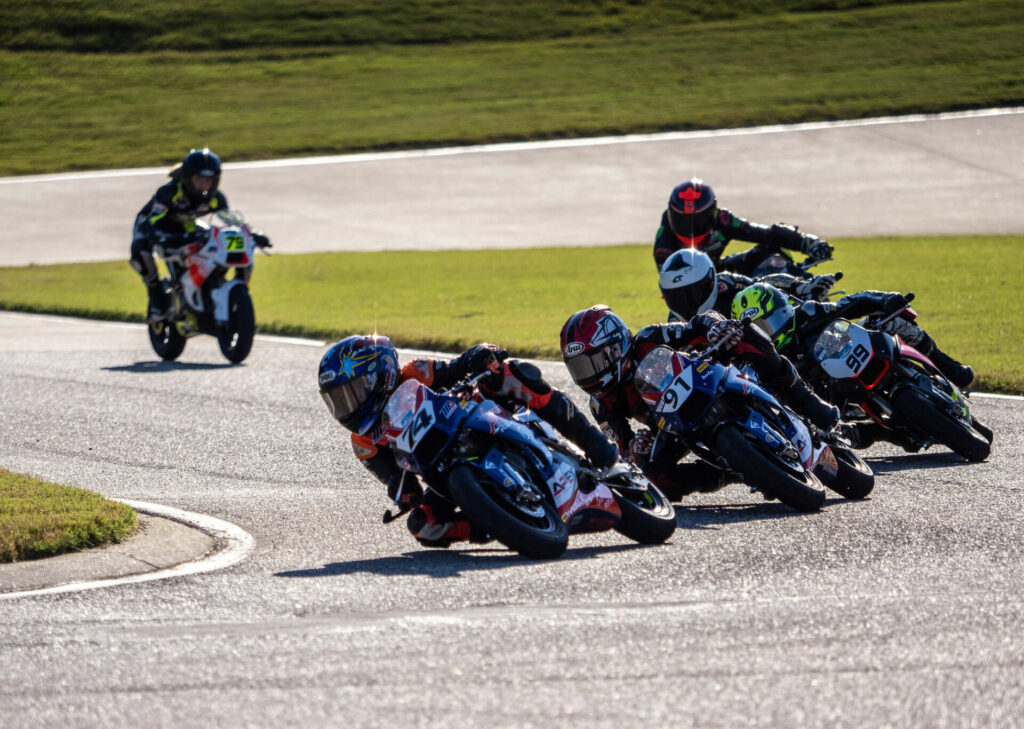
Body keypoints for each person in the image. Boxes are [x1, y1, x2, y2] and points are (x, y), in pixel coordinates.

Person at [319, 335, 619, 548]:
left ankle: (594, 443)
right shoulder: (364, 442)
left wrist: (478, 355)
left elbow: (455, 368)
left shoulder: (413, 372)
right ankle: (496, 524)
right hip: (441, 470)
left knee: (512, 374)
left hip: (474, 416)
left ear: (379, 374)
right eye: (339, 400)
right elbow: (396, 480)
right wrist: (405, 494)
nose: (348, 405)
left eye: (353, 392)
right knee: (424, 526)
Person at [559, 305, 840, 499]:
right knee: (651, 479)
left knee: (742, 335)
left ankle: (808, 401)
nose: (589, 374)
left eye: (593, 362)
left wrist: (716, 326)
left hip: (706, 376)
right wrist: (634, 449)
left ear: (615, 346)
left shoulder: (648, 338)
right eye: (580, 367)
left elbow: (696, 324)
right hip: (672, 428)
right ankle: (730, 474)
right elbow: (620, 451)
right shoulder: (602, 404)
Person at [730, 282, 974, 447]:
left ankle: (949, 368)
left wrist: (885, 299)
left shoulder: (809, 312)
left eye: (772, 320)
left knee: (895, 321)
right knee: (845, 436)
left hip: (858, 348)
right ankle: (888, 433)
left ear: (784, 308)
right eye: (762, 329)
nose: (771, 331)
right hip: (838, 397)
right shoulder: (772, 361)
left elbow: (851, 303)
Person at [130, 148, 270, 320]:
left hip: (188, 227)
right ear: (188, 178)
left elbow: (229, 220)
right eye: (199, 180)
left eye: (208, 180)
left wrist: (252, 233)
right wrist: (159, 235)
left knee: (214, 238)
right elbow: (151, 220)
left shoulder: (217, 198)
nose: (204, 185)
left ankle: (210, 285)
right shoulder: (170, 192)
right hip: (155, 227)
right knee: (140, 249)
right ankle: (157, 298)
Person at [653, 178, 833, 276]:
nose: (691, 228)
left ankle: (795, 284)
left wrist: (808, 243)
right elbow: (675, 282)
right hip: (694, 290)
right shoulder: (664, 245)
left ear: (711, 214)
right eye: (683, 221)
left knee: (771, 248)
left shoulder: (723, 221)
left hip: (721, 272)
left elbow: (766, 233)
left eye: (697, 220)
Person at [658, 247, 839, 322]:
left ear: (709, 282)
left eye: (690, 293)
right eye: (676, 297)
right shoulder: (675, 323)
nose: (684, 303)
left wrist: (800, 286)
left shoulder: (727, 283)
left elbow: (762, 284)